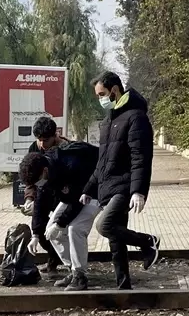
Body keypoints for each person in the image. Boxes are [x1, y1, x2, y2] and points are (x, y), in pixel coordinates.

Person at [80, 72, 160, 289]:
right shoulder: (109, 121)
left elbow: (141, 157)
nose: (100, 100)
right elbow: (102, 162)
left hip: (124, 187)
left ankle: (148, 242)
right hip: (108, 187)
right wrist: (89, 188)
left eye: (102, 94)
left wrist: (138, 191)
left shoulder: (136, 117)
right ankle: (123, 286)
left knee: (104, 225)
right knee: (116, 242)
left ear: (115, 90)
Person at [20, 139, 100, 291]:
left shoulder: (71, 165)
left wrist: (60, 223)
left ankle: (80, 277)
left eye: (37, 182)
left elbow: (78, 201)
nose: (38, 186)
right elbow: (40, 202)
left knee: (75, 229)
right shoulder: (45, 171)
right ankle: (74, 269)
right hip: (73, 196)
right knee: (51, 232)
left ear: (44, 171)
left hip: (94, 191)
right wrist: (36, 234)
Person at [20, 115, 68, 271]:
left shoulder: (66, 148)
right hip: (43, 193)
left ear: (55, 136)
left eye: (46, 140)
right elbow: (30, 174)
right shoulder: (35, 148)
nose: (42, 144)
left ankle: (71, 264)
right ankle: (53, 257)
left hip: (64, 194)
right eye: (39, 140)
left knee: (61, 228)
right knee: (39, 228)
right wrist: (29, 198)